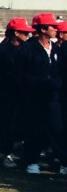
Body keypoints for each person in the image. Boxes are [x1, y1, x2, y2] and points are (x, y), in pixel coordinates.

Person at [16, 13, 63, 175]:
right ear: (43, 29)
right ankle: (32, 161)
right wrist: (39, 81)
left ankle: (62, 161)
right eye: (53, 27)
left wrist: (56, 83)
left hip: (53, 97)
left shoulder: (56, 48)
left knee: (58, 128)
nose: (56, 30)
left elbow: (60, 72)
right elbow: (21, 74)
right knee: (34, 129)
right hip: (34, 97)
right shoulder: (28, 48)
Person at [0, 18, 31, 166]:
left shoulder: (25, 49)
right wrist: (1, 85)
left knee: (13, 122)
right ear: (16, 32)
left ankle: (5, 150)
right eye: (24, 32)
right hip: (2, 92)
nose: (27, 35)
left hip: (18, 93)